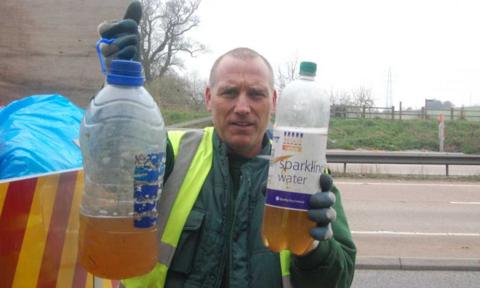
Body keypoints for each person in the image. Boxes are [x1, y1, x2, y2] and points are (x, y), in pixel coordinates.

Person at [97, 2, 356, 287]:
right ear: (208, 98)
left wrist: (313, 247)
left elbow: (338, 280)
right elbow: (115, 163)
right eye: (229, 92)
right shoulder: (172, 153)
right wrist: (121, 89)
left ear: (274, 101)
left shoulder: (305, 177)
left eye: (256, 94)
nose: (242, 107)